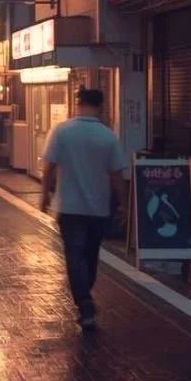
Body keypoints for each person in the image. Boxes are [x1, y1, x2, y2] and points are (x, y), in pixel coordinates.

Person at [40, 87, 127, 330]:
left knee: (74, 255)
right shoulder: (108, 136)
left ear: (78, 103)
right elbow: (117, 175)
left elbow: (49, 167)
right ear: (100, 106)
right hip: (98, 207)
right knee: (90, 254)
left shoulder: (61, 131)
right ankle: (85, 296)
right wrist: (123, 205)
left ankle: (84, 301)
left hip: (69, 207)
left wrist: (44, 195)